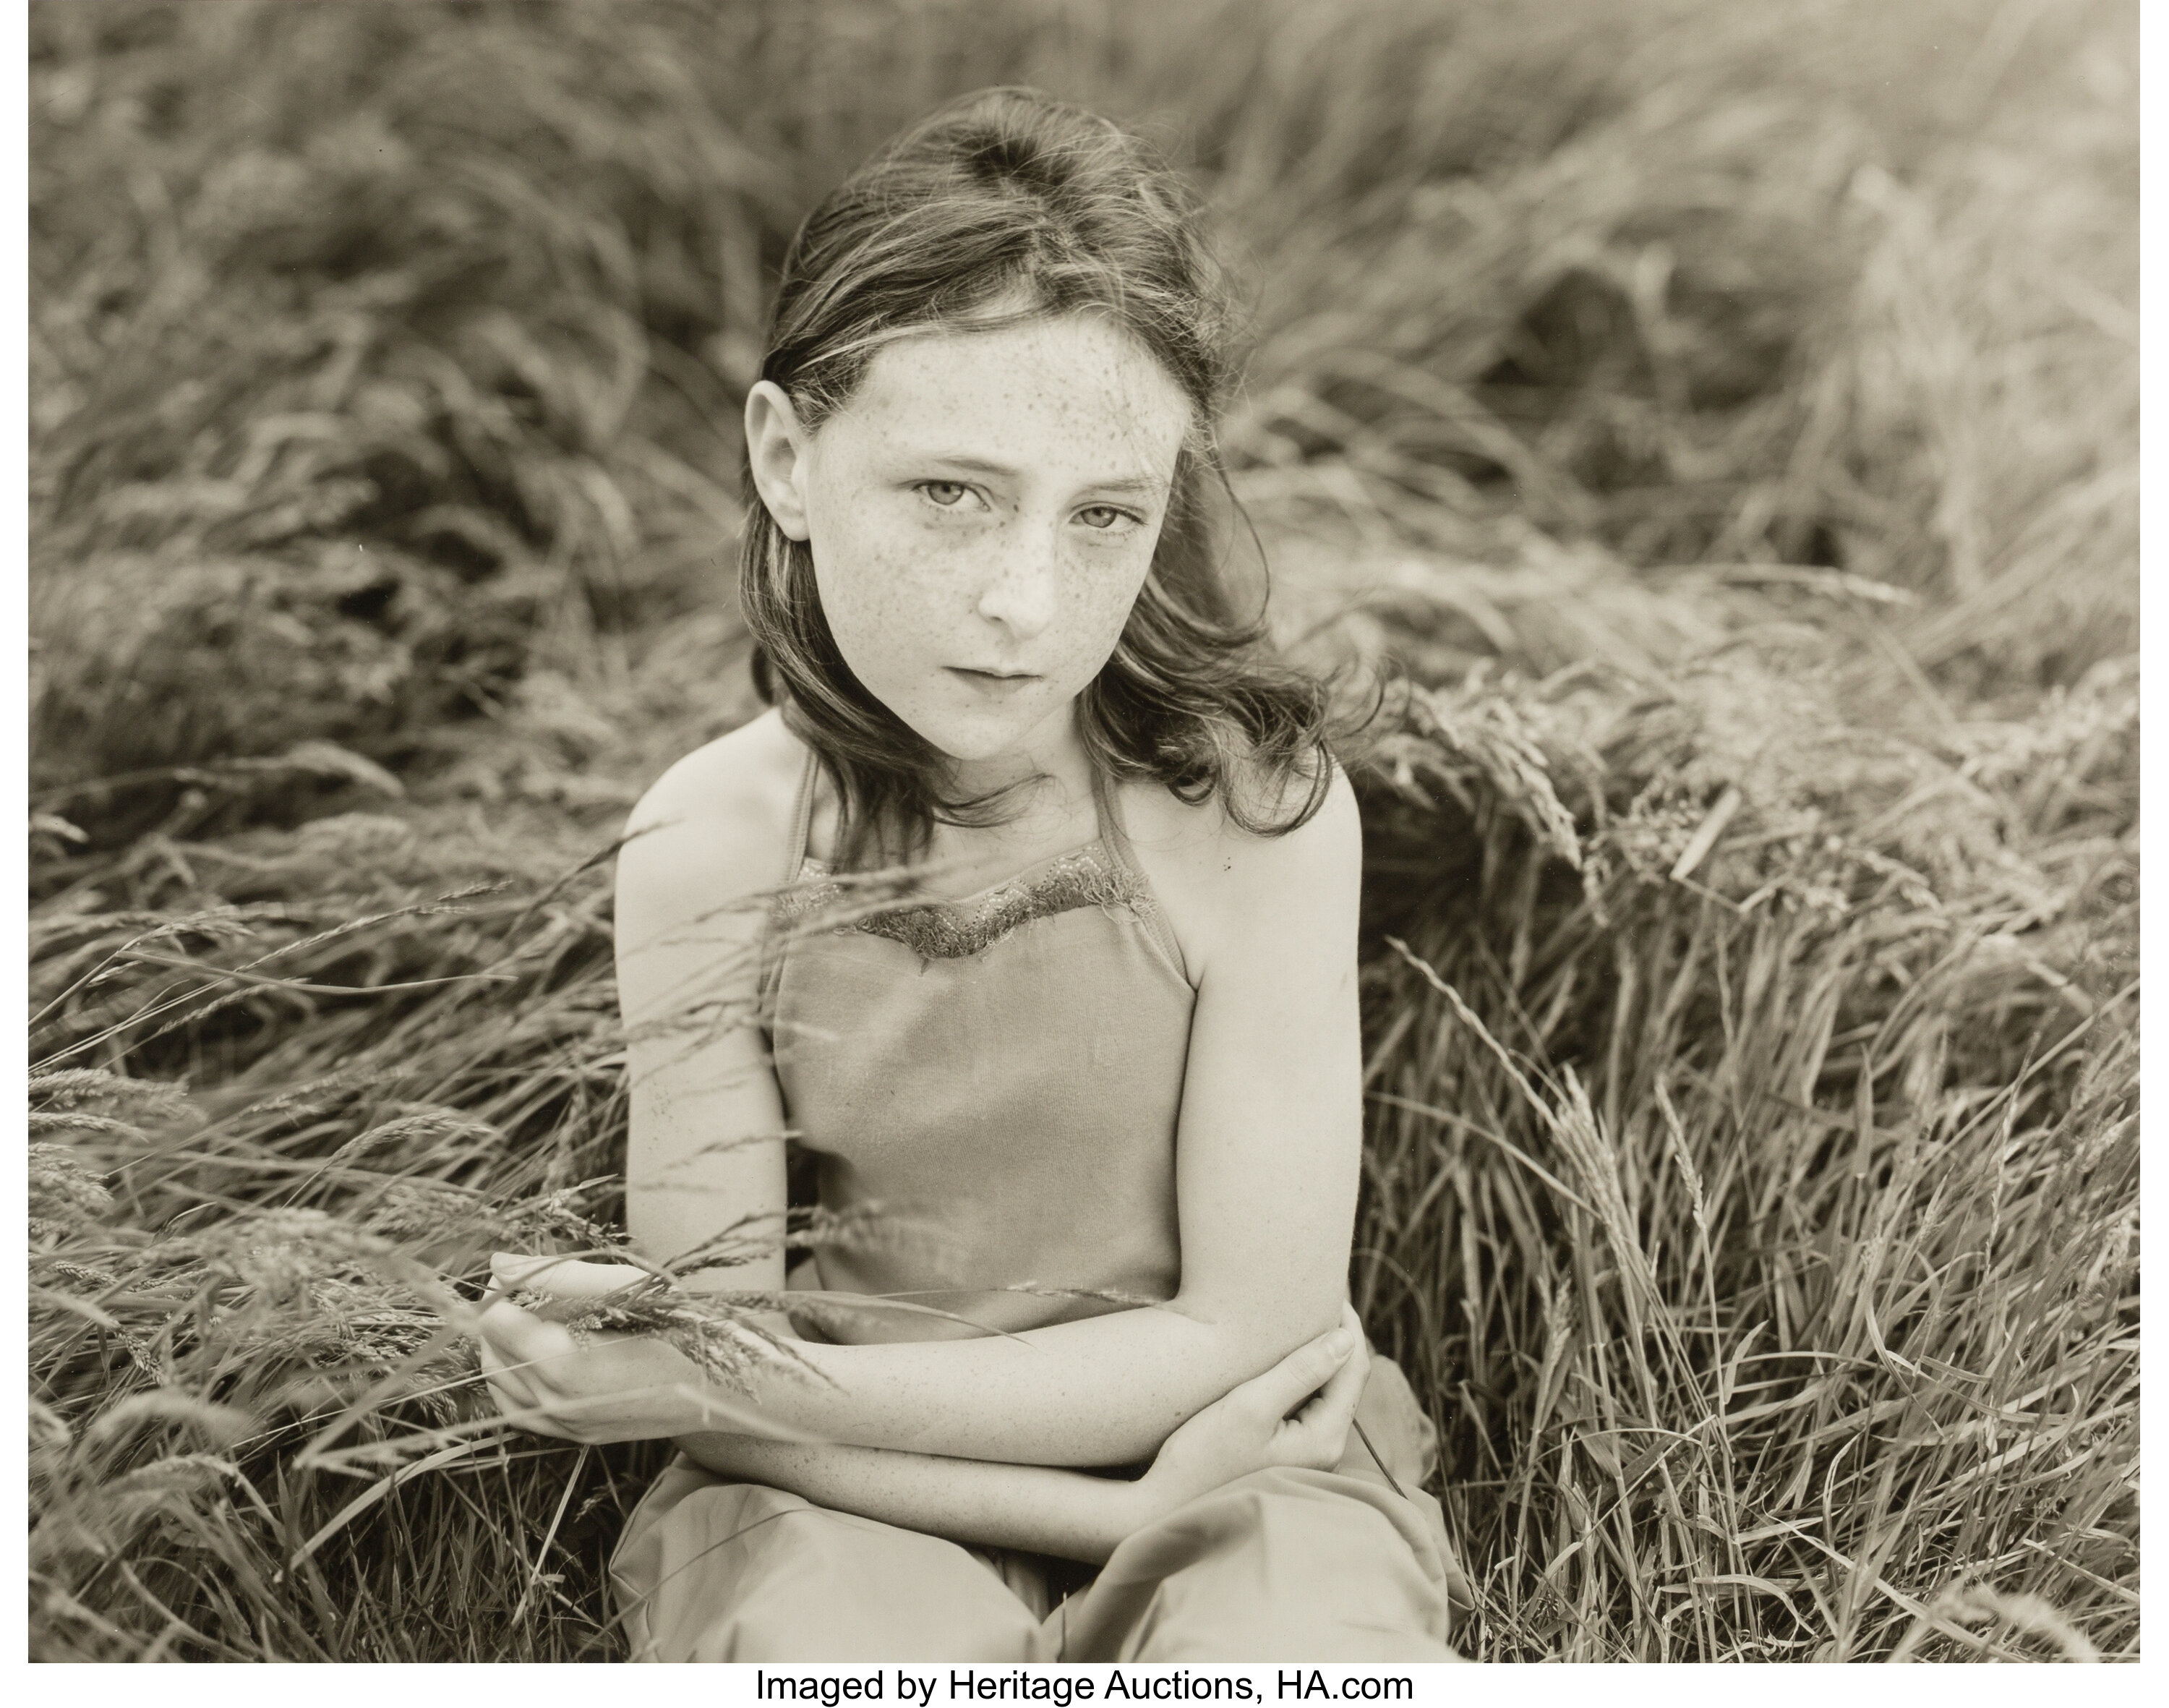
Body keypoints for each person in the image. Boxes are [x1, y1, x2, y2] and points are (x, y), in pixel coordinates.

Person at [475, 87, 1468, 1663]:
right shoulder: (709, 845)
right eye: (951, 492)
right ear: (789, 458)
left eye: (1103, 517)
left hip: (1243, 1461)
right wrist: (1099, 1519)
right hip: (835, 1482)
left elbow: (1249, 1332)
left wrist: (717, 1377)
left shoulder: (1250, 813)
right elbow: (717, 1378)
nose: (1026, 599)